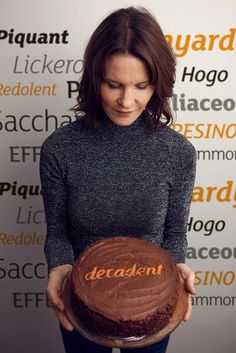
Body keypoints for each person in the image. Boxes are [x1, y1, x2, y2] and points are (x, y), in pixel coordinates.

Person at [40, 6, 197, 353]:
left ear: (159, 82)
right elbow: (58, 233)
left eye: (142, 86)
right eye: (114, 85)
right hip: (81, 303)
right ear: (95, 78)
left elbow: (174, 234)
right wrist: (59, 267)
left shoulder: (179, 153)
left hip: (152, 303)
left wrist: (177, 264)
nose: (128, 101)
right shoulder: (59, 150)